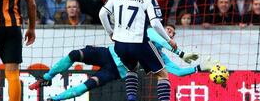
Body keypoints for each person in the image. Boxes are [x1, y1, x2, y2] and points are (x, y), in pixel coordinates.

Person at [28, 25, 213, 101]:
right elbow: (154, 34)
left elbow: (178, 72)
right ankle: (47, 78)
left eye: (172, 33)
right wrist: (178, 50)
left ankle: (55, 99)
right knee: (75, 54)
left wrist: (198, 67)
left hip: (115, 72)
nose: (169, 33)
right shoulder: (148, 32)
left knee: (85, 87)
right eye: (168, 30)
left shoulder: (159, 58)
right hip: (107, 53)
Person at [99, 0, 177, 101]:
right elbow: (155, 24)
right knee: (163, 74)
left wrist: (110, 32)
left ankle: (131, 98)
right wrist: (168, 40)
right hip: (139, 43)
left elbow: (102, 14)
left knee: (131, 68)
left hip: (120, 43)